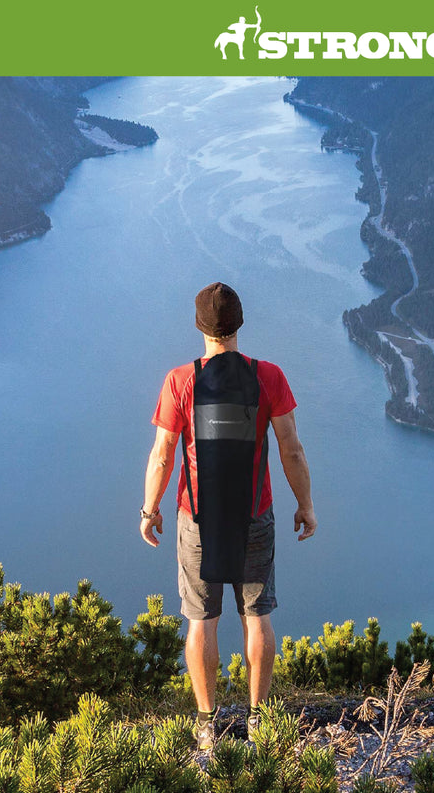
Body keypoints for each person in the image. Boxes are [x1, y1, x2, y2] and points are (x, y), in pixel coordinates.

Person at [139, 282, 317, 750]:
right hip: (254, 516)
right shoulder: (269, 377)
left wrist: (149, 509)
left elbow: (162, 456)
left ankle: (206, 724)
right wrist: (306, 505)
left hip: (196, 519)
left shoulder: (180, 381)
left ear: (200, 326)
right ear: (239, 324)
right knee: (256, 617)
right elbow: (291, 449)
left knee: (201, 621)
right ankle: (259, 720)